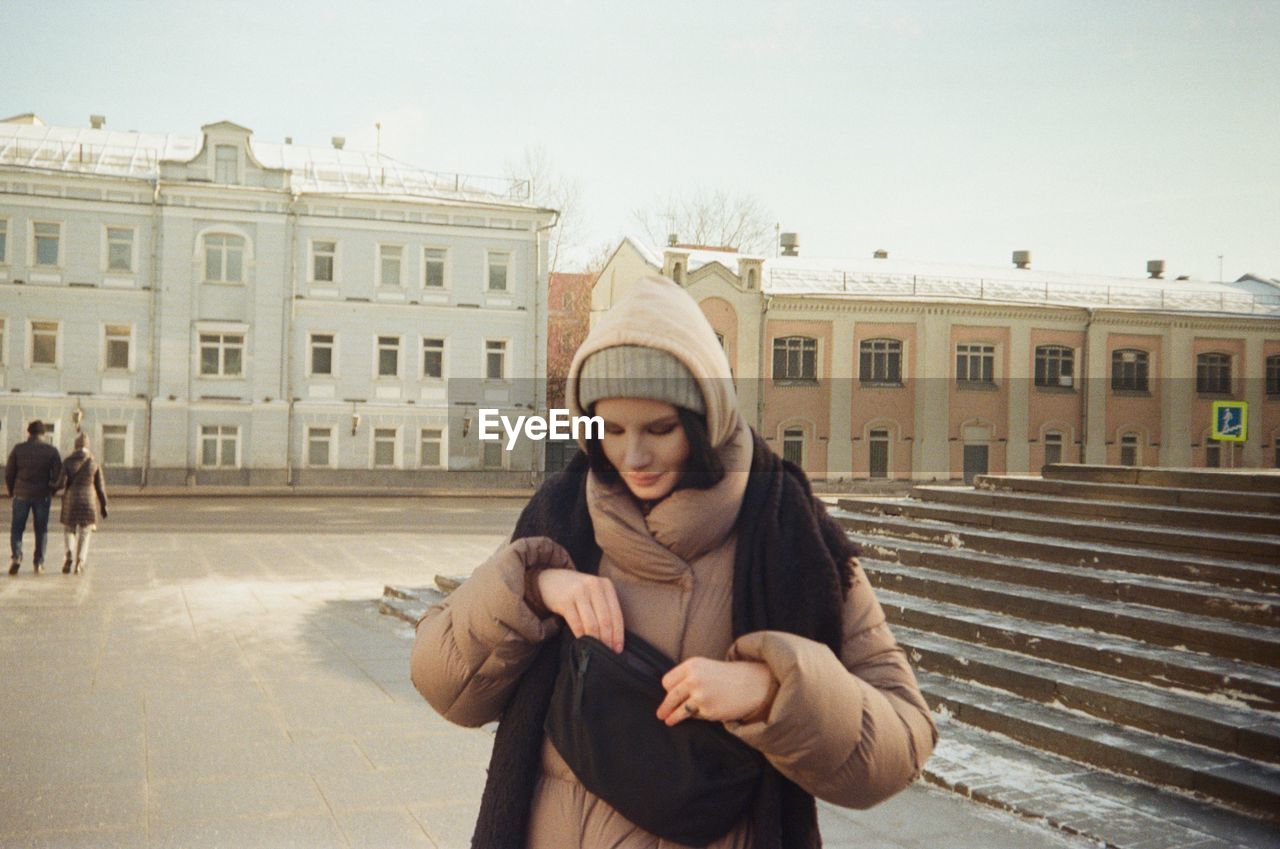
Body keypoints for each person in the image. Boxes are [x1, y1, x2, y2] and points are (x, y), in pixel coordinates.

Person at [412, 274, 937, 848]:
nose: (633, 456)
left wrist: (772, 691)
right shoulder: (559, 516)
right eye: (611, 429)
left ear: (704, 420)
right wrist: (535, 589)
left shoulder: (794, 536)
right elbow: (444, 684)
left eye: (660, 429)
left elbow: (903, 741)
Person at [6, 420, 63, 575]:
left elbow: (9, 472)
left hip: (21, 495)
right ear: (43, 434)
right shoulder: (51, 451)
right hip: (42, 495)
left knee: (17, 528)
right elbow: (59, 475)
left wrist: (12, 491)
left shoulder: (18, 449)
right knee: (41, 529)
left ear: (28, 433)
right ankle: (39, 562)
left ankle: (17, 556)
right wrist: (52, 490)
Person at [58, 432, 108, 574]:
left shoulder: (67, 461)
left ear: (75, 446)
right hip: (88, 501)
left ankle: (68, 554)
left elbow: (61, 483)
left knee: (69, 529)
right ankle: (80, 561)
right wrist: (104, 504)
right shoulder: (93, 462)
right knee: (85, 532)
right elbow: (100, 487)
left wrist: (51, 486)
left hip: (71, 500)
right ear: (88, 446)